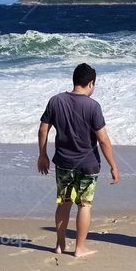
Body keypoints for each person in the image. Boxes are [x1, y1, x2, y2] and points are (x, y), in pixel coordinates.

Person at [38, 63, 120, 257]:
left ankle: (59, 245)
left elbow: (43, 129)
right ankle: (80, 248)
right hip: (88, 164)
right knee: (84, 205)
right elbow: (103, 140)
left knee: (63, 203)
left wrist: (43, 155)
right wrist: (113, 166)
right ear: (90, 83)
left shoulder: (56, 101)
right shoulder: (93, 106)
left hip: (63, 163)